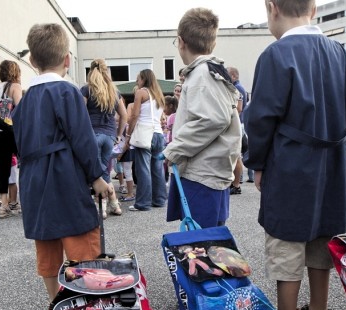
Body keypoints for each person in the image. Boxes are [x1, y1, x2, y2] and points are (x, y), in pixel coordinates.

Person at [243, 0, 346, 310]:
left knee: (287, 239)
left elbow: (261, 118)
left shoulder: (275, 54)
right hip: (332, 161)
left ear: (272, 8)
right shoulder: (339, 52)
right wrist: (332, 123)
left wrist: (257, 162)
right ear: (313, 8)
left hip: (290, 162)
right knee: (321, 234)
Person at [12, 23, 113, 309]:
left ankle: (56, 302)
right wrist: (96, 175)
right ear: (67, 59)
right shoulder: (67, 92)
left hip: (32, 176)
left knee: (46, 243)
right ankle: (88, 300)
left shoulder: (25, 99)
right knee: (81, 235)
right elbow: (82, 138)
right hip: (64, 174)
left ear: (32, 61)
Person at [162, 8, 241, 228]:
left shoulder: (202, 74)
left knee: (202, 250)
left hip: (202, 175)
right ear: (212, 43)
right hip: (209, 173)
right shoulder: (210, 72)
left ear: (180, 41)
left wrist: (174, 150)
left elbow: (212, 119)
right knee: (208, 247)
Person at [81, 58, 127, 218]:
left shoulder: (87, 89)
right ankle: (113, 203)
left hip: (92, 135)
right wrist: (119, 135)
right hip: (109, 136)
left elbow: (81, 114)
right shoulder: (114, 91)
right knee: (105, 170)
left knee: (96, 172)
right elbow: (124, 115)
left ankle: (102, 205)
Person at [124, 69, 167, 211]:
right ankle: (159, 199)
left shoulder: (141, 92)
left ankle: (142, 203)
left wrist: (129, 134)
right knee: (157, 168)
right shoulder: (159, 95)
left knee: (143, 169)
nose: (137, 81)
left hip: (145, 133)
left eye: (138, 78)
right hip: (158, 134)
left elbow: (134, 115)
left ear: (144, 79)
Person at [0, 60, 23, 219]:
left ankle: (3, 205)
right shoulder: (15, 87)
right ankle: (19, 201)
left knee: (3, 168)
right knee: (27, 162)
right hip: (11, 131)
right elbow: (21, 109)